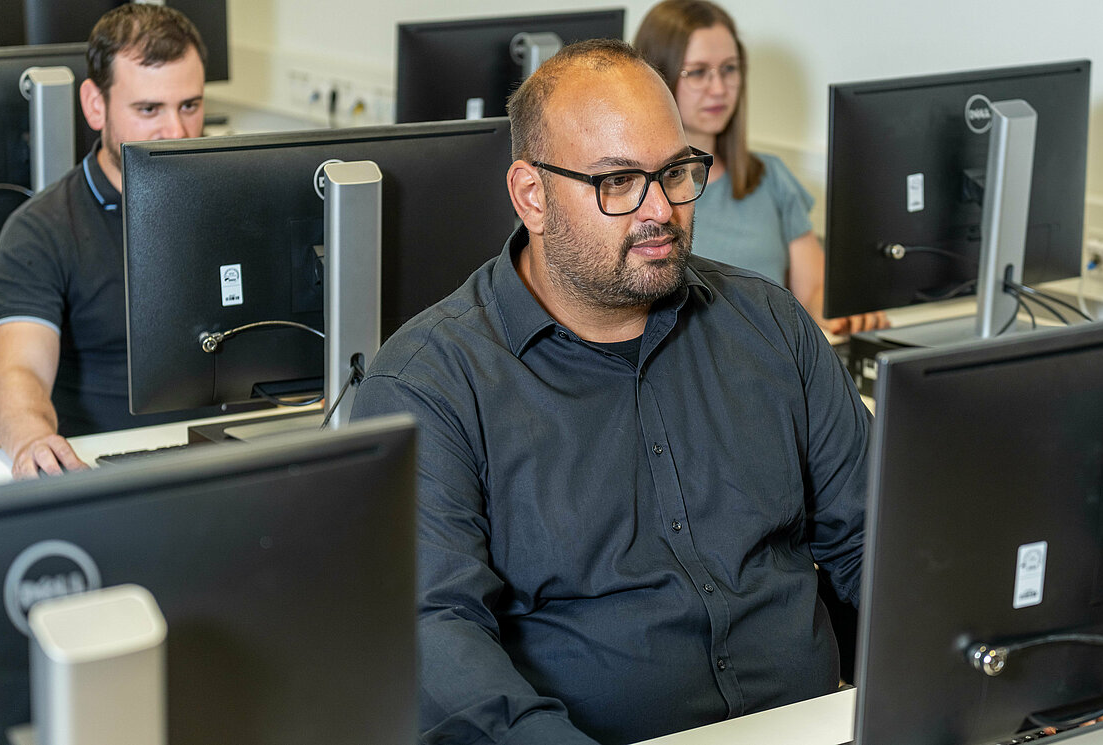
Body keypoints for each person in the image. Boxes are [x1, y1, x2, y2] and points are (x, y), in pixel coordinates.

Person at [350, 39, 872, 745]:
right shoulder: (429, 384)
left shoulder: (769, 323)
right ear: (531, 196)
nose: (661, 209)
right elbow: (436, 639)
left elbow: (871, 540)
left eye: (677, 172)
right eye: (618, 181)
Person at [0, 4, 207, 478]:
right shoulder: (40, 231)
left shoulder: (239, 204)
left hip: (240, 457)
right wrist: (32, 441)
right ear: (94, 105)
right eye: (149, 109)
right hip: (110, 471)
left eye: (190, 105)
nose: (176, 131)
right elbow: (18, 373)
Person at [635, 0, 888, 336]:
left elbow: (813, 293)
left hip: (769, 367)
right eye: (697, 72)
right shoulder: (640, 198)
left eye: (729, 69)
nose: (719, 89)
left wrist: (845, 312)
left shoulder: (771, 178)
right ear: (659, 77)